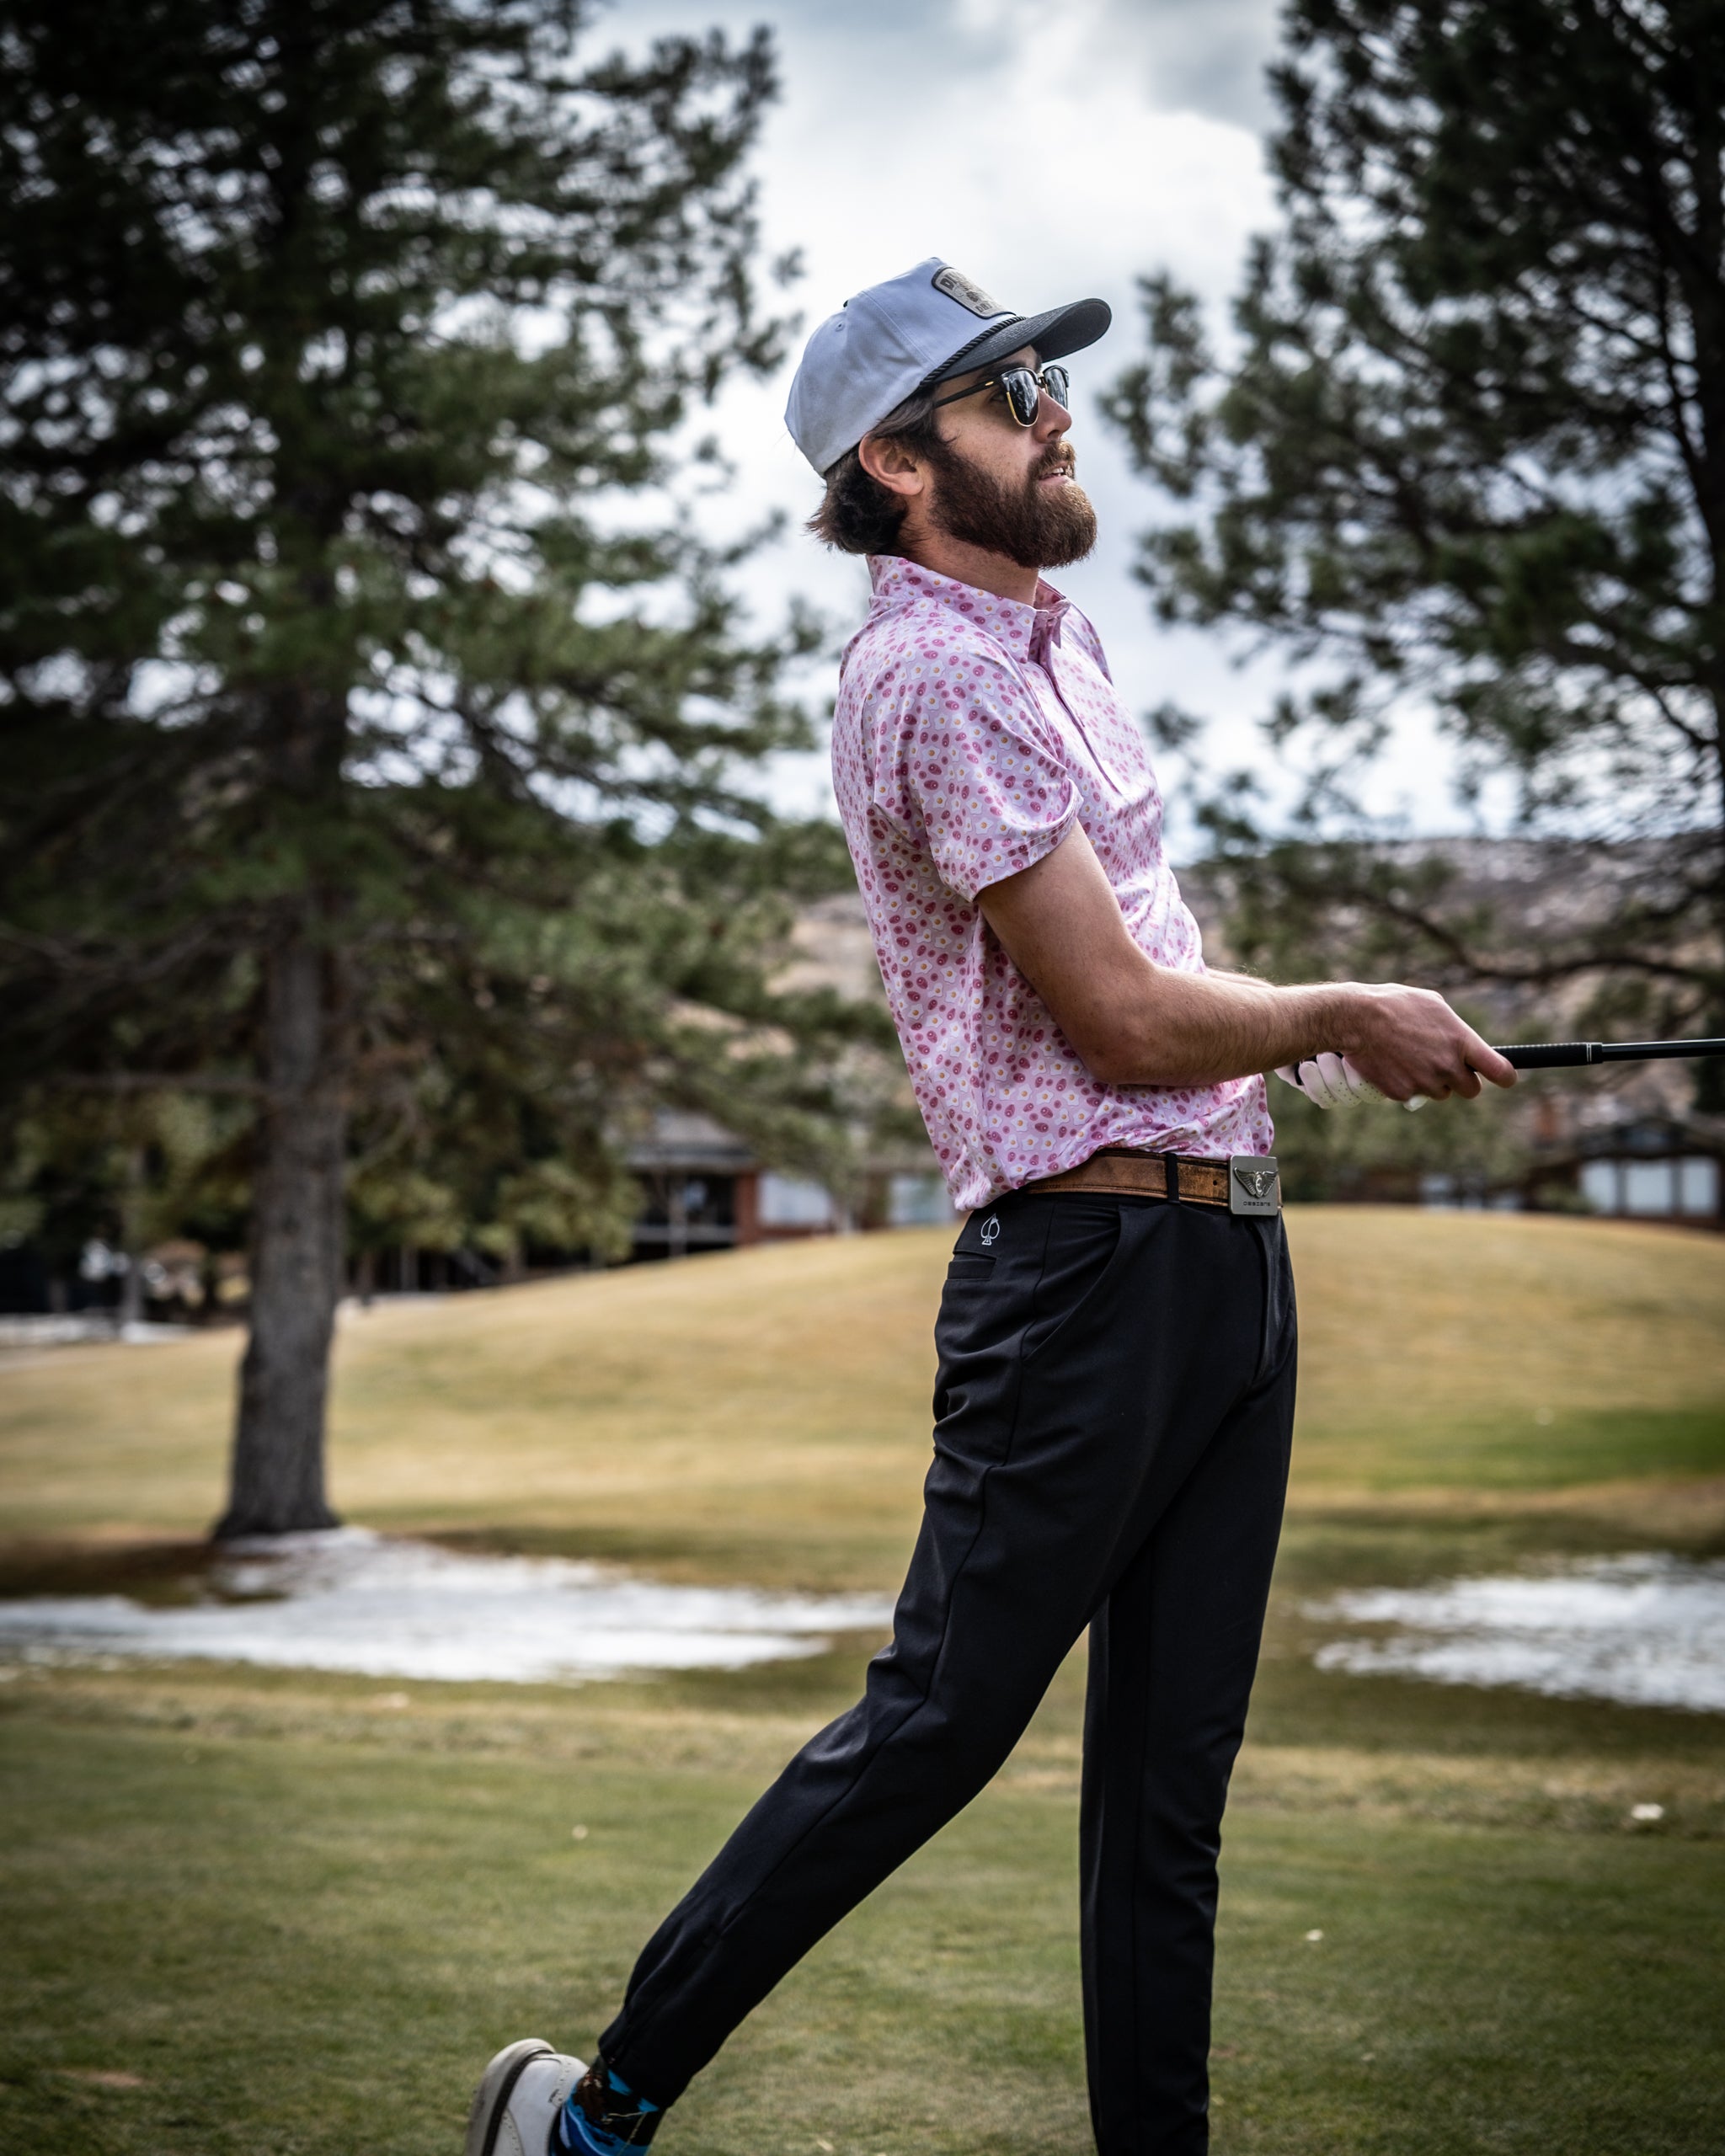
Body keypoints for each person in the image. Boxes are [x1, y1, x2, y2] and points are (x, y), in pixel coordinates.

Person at [467, 258, 1516, 2156]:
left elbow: (1159, 968)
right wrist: (1339, 1010)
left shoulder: (1055, 642)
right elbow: (1114, 1019)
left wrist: (1312, 1036)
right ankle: (597, 2115)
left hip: (1223, 1254)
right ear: (895, 457)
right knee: (941, 1722)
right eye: (1004, 392)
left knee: (1167, 1789)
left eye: (1043, 378)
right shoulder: (929, 674)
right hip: (1078, 1272)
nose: (1053, 410)